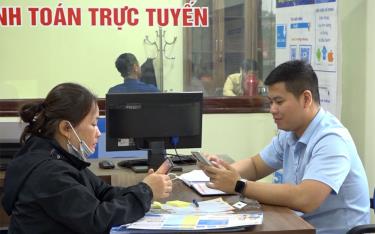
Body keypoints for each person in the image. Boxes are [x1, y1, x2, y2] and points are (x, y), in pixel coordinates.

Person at [201, 60, 370, 234]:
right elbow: (256, 165)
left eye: (279, 102)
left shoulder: (332, 140)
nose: (272, 110)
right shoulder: (290, 133)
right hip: (298, 225)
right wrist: (220, 173)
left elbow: (305, 198)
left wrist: (239, 185)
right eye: (270, 102)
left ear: (306, 99)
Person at [2, 83, 172, 233]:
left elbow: (104, 193)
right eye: (93, 124)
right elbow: (95, 221)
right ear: (66, 128)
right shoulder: (49, 173)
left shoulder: (63, 158)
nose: (98, 133)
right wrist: (146, 191)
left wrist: (145, 187)